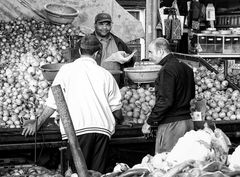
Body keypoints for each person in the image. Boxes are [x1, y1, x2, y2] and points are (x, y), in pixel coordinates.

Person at [22, 34, 123, 173]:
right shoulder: (105, 74)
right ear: (97, 53)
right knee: (97, 174)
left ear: (80, 51)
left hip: (77, 131)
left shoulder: (65, 70)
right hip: (102, 131)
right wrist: (121, 119)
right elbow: (116, 109)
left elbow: (53, 103)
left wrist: (37, 123)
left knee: (77, 174)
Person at [142, 37, 195, 154]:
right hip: (187, 122)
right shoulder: (187, 68)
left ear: (161, 51)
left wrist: (150, 122)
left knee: (167, 163)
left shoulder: (167, 70)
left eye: (151, 52)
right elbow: (192, 96)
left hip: (172, 125)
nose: (149, 56)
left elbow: (165, 101)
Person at [92, 12, 135, 86]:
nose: (105, 28)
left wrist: (128, 58)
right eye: (101, 24)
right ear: (95, 25)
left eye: (107, 24)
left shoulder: (118, 41)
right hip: (94, 84)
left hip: (116, 85)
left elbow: (131, 61)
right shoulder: (87, 41)